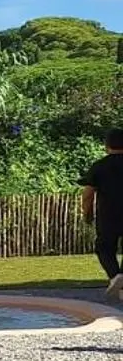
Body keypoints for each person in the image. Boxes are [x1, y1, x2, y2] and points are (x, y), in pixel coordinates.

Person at [80, 127, 123, 301]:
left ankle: (115, 276)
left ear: (107, 146)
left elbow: (88, 194)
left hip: (108, 215)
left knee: (104, 248)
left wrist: (87, 212)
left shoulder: (99, 166)